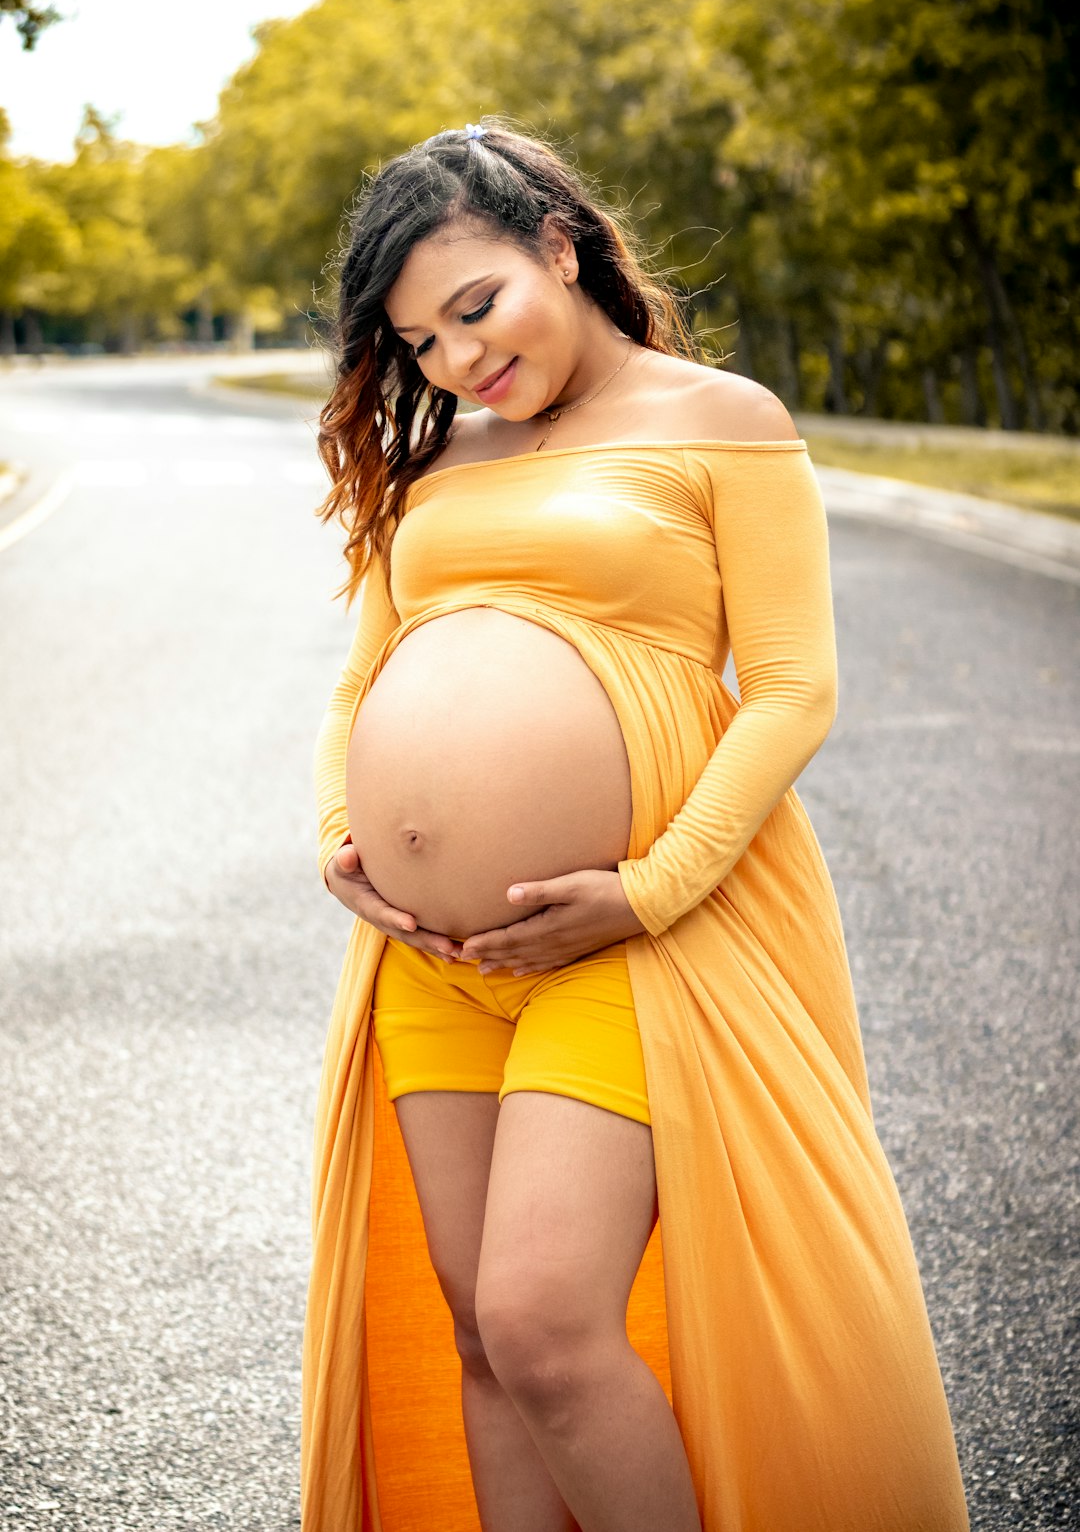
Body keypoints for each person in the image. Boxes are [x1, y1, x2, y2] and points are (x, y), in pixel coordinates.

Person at [303, 118, 969, 1532]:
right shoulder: (438, 467)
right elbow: (364, 674)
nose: (459, 361)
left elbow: (791, 691)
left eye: (476, 307)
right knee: (484, 1337)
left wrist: (653, 888)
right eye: (421, 343)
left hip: (633, 932)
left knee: (546, 1324)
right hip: (431, 962)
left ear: (558, 241)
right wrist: (343, 839)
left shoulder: (722, 420)